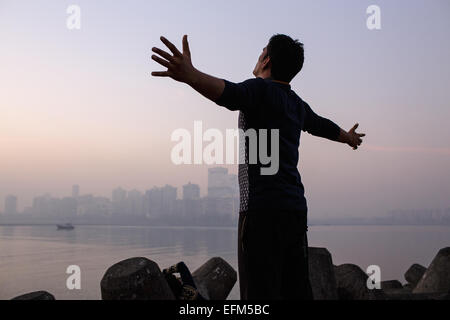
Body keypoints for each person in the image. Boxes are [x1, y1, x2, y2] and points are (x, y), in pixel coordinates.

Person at [151, 34, 365, 300]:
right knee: (295, 291)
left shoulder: (259, 90)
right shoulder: (296, 104)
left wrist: (190, 75)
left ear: (266, 60)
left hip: (261, 214)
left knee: (258, 296)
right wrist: (349, 137)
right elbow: (323, 126)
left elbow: (228, 93)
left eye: (262, 50)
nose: (258, 54)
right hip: (295, 212)